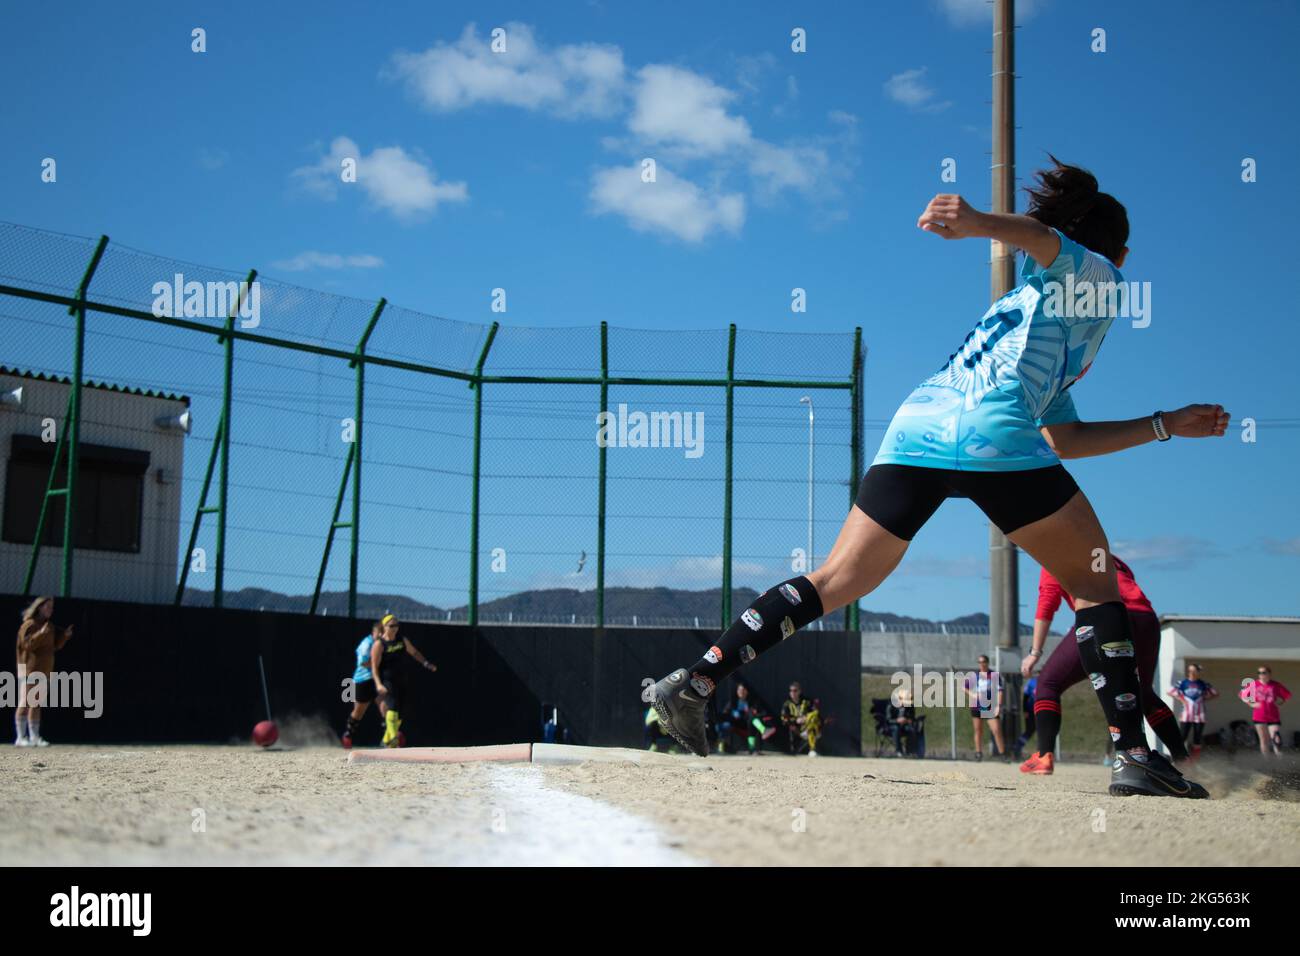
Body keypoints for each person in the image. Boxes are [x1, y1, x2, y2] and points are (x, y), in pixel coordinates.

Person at [649, 158, 1229, 799]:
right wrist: (980, 222)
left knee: (835, 581)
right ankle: (1132, 757)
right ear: (1121, 250)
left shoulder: (1034, 313)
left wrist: (1163, 424)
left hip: (918, 426)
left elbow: (1062, 437)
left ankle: (692, 684)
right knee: (1094, 584)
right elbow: (1046, 241)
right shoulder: (1098, 275)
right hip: (990, 432)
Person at [1020, 556, 1188, 775]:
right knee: (1144, 693)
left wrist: (1034, 652)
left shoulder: (1055, 552)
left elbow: (1048, 600)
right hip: (1145, 618)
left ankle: (1044, 756)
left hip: (1102, 618)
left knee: (1048, 683)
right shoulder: (1108, 556)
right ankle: (1184, 760)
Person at [370, 614, 437, 748]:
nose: (395, 628)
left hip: (401, 679)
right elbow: (374, 667)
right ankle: (393, 739)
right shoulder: (379, 644)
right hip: (387, 681)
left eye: (397, 625)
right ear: (384, 626)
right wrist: (378, 684)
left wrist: (426, 663)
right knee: (392, 708)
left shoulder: (402, 640)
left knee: (400, 713)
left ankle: (386, 740)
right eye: (392, 626)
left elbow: (414, 653)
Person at [14, 596, 73, 748]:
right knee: (25, 702)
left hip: (44, 669)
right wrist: (40, 633)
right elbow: (27, 645)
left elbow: (54, 647)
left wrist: (64, 637)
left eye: (52, 607)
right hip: (27, 669)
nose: (50, 610)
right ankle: (21, 737)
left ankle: (34, 737)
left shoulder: (50, 626)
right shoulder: (29, 625)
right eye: (47, 606)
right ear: (39, 607)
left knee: (36, 703)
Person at [341, 620, 384, 749]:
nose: (381, 635)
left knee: (385, 707)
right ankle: (348, 736)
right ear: (373, 632)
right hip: (362, 681)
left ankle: (390, 738)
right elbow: (364, 663)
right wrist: (379, 663)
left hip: (377, 681)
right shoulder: (366, 644)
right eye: (379, 632)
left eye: (383, 632)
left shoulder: (383, 644)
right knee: (358, 712)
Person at [1169, 663, 1218, 761]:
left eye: (1193, 671)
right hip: (1186, 714)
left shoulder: (1203, 684)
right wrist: (1182, 699)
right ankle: (1179, 758)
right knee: (1182, 736)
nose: (1191, 673)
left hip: (1199, 714)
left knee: (1197, 737)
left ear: (1198, 672)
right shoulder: (1182, 683)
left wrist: (1205, 698)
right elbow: (1171, 692)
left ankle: (1195, 760)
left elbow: (1214, 693)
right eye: (1189, 670)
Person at [1239, 666, 1290, 756]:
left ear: (1269, 674)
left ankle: (1279, 758)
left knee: (1276, 737)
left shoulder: (1275, 685)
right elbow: (1242, 695)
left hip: (1273, 716)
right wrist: (1251, 704)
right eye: (1259, 673)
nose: (1261, 675)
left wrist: (1281, 703)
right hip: (1259, 716)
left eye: (1263, 672)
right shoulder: (1253, 684)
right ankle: (1267, 761)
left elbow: (1287, 695)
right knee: (1263, 739)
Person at [715, 682, 776, 754]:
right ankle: (721, 747)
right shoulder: (732, 702)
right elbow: (725, 714)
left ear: (747, 691)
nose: (742, 692)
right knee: (721, 725)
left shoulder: (752, 702)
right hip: (736, 724)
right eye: (740, 690)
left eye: (743, 690)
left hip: (748, 724)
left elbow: (760, 713)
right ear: (737, 691)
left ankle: (752, 748)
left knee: (752, 719)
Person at [966, 656, 1005, 760]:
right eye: (979, 662)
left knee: (996, 729)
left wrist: (998, 705)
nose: (981, 664)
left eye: (983, 662)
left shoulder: (994, 675)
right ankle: (978, 753)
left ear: (987, 663)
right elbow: (965, 687)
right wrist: (972, 694)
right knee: (978, 730)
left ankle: (1002, 754)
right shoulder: (974, 675)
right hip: (977, 706)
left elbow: (1000, 691)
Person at [780, 682, 820, 756]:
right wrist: (796, 720)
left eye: (795, 690)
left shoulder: (806, 701)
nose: (792, 693)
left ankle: (812, 749)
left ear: (799, 691)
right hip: (794, 726)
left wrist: (806, 717)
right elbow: (783, 718)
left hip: (807, 725)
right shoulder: (787, 704)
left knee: (813, 720)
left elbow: (815, 712)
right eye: (791, 690)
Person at [887, 687, 919, 757]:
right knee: (896, 729)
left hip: (905, 726)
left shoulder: (910, 707)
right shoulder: (891, 706)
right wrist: (897, 720)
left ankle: (910, 751)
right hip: (893, 726)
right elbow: (888, 720)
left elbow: (912, 717)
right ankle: (899, 751)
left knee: (911, 730)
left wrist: (908, 720)